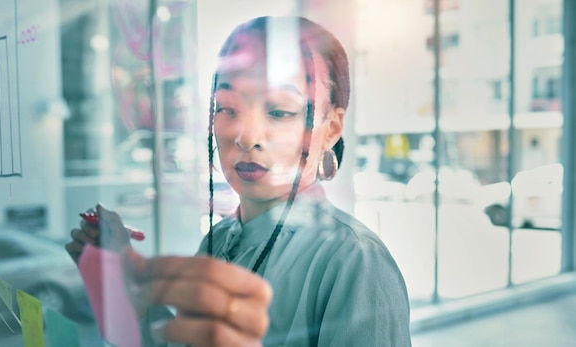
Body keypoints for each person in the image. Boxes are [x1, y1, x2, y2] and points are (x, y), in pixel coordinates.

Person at [67, 16, 411, 347]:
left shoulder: (355, 260)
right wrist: (124, 277)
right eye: (227, 108)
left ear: (331, 128)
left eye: (278, 111)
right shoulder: (218, 240)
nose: (246, 137)